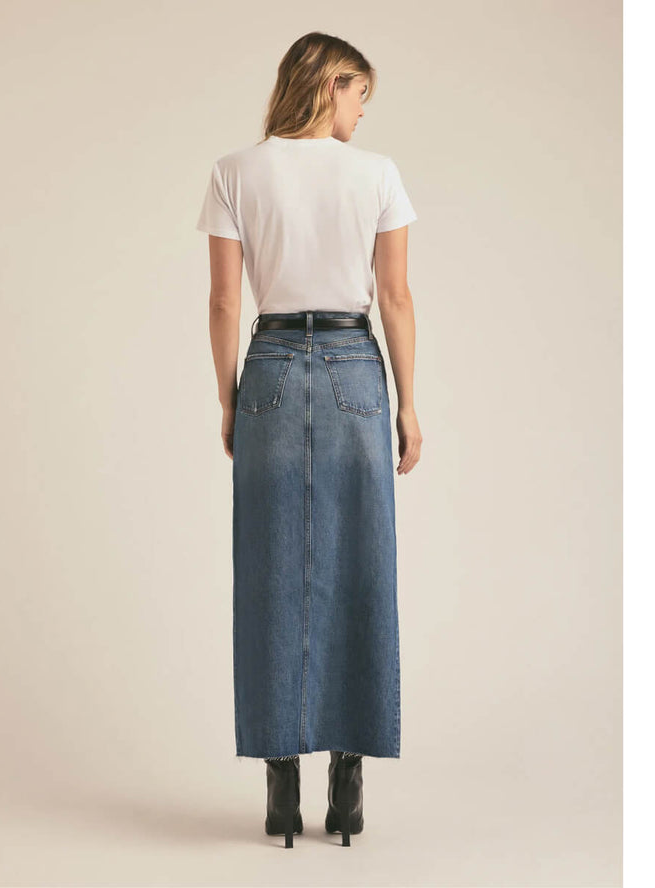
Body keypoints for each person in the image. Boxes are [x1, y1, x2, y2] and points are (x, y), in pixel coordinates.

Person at [195, 31, 422, 848]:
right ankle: (349, 779)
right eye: (360, 92)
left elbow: (226, 303)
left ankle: (280, 780)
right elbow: (394, 297)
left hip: (272, 366)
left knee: (270, 566)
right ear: (330, 84)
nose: (363, 110)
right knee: (363, 560)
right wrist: (408, 404)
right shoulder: (378, 175)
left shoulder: (235, 171)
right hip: (357, 366)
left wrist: (230, 400)